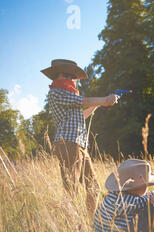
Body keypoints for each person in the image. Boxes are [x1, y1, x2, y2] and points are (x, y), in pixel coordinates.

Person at [41, 59, 119, 213]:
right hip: (68, 143)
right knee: (71, 188)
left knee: (93, 187)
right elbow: (84, 100)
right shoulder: (56, 92)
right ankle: (70, 228)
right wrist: (105, 100)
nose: (72, 80)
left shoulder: (68, 95)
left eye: (72, 76)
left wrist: (95, 105)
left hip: (79, 144)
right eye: (68, 76)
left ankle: (91, 224)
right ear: (58, 75)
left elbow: (80, 115)